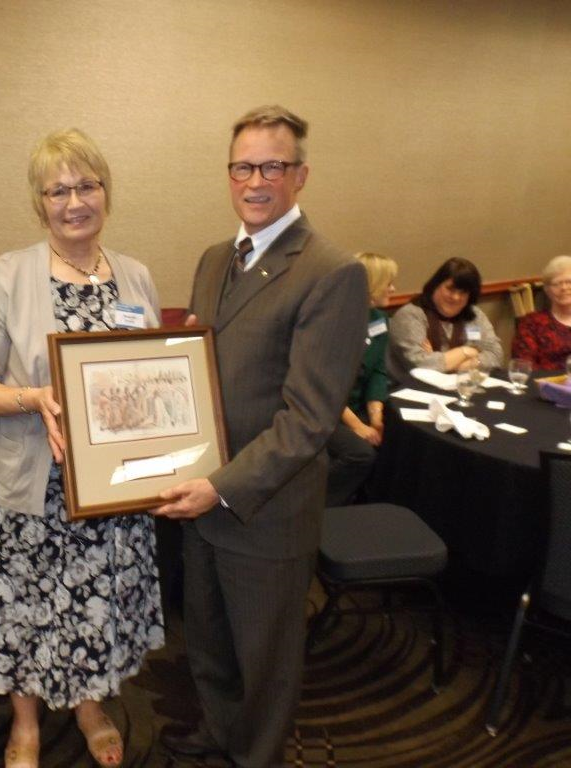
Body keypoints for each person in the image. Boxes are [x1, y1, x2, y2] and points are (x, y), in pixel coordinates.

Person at [153, 105, 368, 768]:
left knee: (265, 659)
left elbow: (310, 418)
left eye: (272, 166)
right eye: (242, 166)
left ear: (300, 175)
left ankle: (257, 755)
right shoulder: (214, 259)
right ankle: (219, 731)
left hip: (264, 508)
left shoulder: (331, 271)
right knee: (209, 638)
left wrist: (219, 488)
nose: (255, 181)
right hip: (201, 494)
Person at [0, 128, 164, 768]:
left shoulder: (135, 275)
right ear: (39, 202)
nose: (75, 202)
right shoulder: (8, 275)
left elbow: (156, 373)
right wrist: (34, 398)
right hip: (25, 487)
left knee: (96, 605)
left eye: (87, 186)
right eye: (58, 190)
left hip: (109, 491)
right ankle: (24, 724)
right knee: (23, 610)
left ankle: (91, 708)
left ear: (106, 193)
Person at [325, 252, 398, 507]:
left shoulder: (379, 320)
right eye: (388, 282)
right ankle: (318, 507)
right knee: (361, 454)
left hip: (357, 407)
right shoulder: (333, 322)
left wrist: (376, 416)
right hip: (326, 412)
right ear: (371, 284)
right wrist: (357, 425)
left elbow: (378, 371)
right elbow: (326, 384)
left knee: (396, 439)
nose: (393, 288)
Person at [387, 257, 503, 380]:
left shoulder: (474, 315)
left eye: (463, 292)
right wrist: (467, 351)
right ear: (435, 285)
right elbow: (419, 364)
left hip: (463, 384)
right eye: (450, 289)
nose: (456, 297)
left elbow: (495, 355)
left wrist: (456, 365)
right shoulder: (411, 315)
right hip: (414, 387)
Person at [511, 255, 571, 370]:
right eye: (557, 284)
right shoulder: (531, 323)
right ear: (547, 290)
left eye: (569, 282)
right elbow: (523, 364)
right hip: (546, 380)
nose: (564, 288)